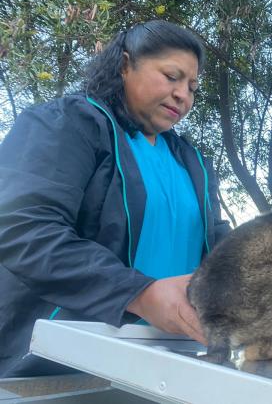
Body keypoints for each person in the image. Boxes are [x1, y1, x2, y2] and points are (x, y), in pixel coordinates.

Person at [0, 20, 230, 378]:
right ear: (125, 65)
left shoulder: (192, 162)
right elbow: (23, 229)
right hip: (59, 366)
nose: (183, 95)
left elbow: (218, 247)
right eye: (172, 76)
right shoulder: (67, 123)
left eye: (192, 87)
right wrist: (141, 293)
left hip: (167, 367)